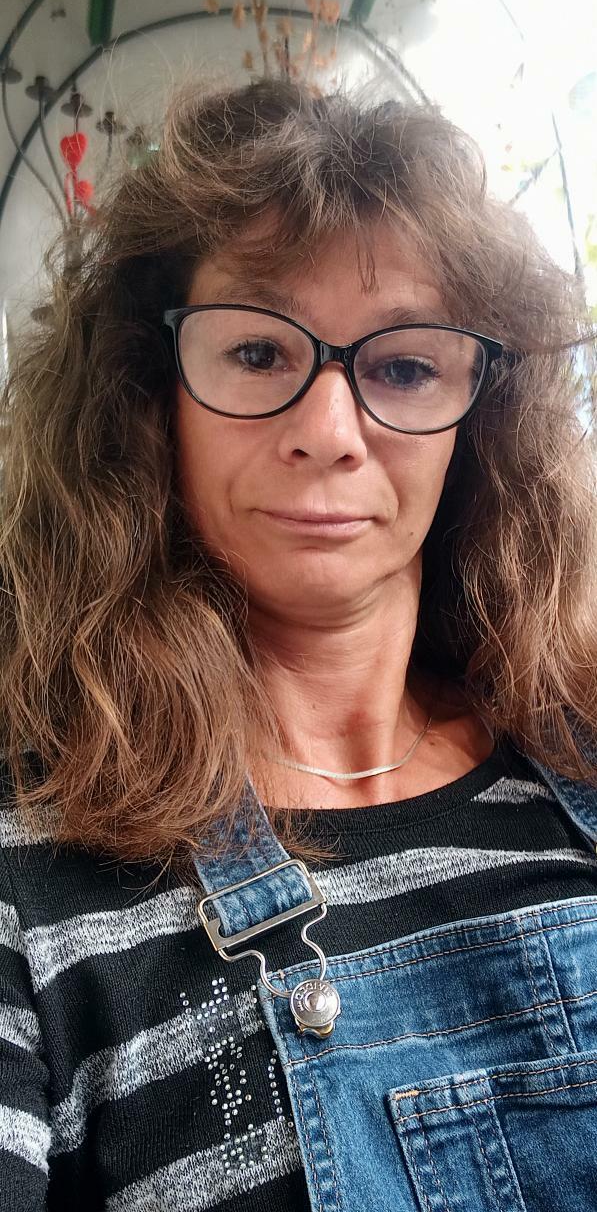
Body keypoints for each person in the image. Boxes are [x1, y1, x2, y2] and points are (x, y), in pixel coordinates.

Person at [0, 75, 595, 1212]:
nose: (328, 433)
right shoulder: (28, 866)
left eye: (405, 366)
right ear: (153, 394)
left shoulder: (580, 751)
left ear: (481, 418)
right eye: (259, 353)